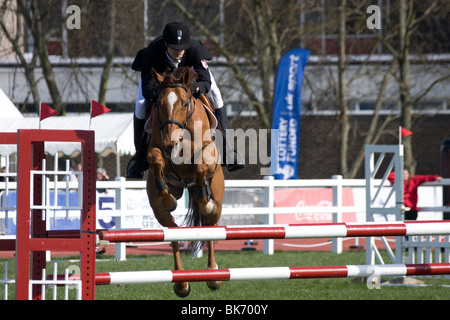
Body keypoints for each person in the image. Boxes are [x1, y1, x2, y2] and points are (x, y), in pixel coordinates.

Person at [126, 21, 243, 179]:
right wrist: (164, 92)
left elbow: (205, 81)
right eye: (174, 48)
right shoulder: (151, 53)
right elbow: (147, 89)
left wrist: (195, 89)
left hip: (190, 79)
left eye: (182, 49)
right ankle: (139, 158)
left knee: (217, 96)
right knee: (140, 105)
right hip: (160, 81)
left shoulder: (194, 49)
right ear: (166, 43)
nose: (179, 52)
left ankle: (227, 150)